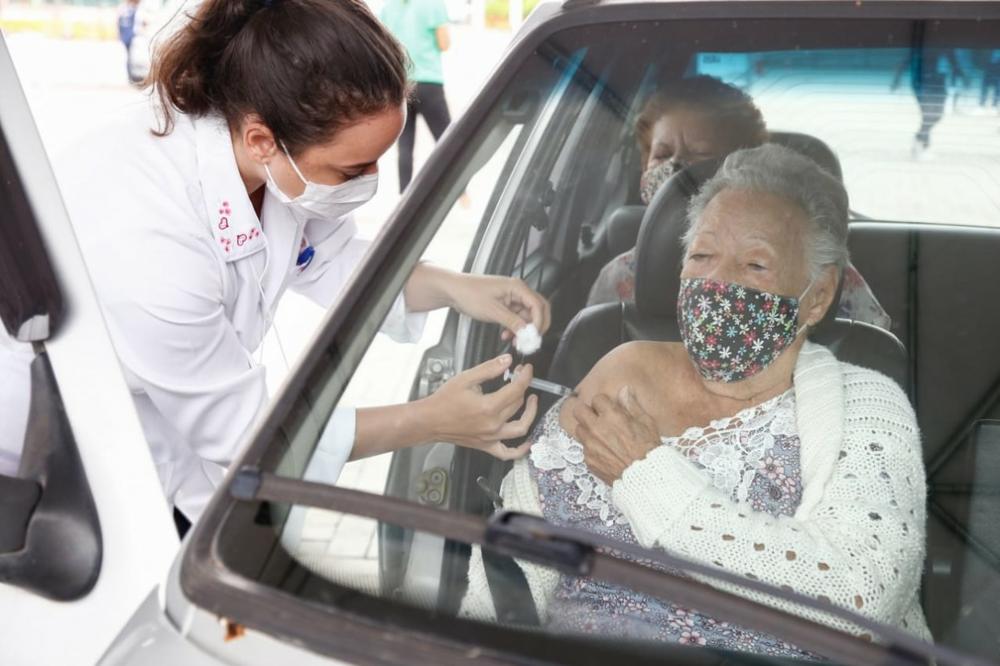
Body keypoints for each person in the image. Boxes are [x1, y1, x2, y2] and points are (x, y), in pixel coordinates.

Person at [56, 0, 548, 527]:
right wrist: (429, 420)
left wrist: (455, 287)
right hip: (80, 472)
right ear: (262, 140)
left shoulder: (271, 163)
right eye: (352, 169)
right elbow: (244, 433)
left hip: (179, 448)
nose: (369, 181)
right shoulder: (147, 233)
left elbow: (337, 261)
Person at [461, 145, 930, 653]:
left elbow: (860, 596)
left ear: (816, 296)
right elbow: (518, 558)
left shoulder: (866, 404)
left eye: (754, 264)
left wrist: (646, 475)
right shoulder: (621, 368)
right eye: (701, 256)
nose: (717, 281)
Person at [587, 77, 891, 331]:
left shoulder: (816, 273)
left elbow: (869, 349)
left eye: (700, 155)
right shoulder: (620, 278)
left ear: (744, 164)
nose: (676, 169)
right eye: (663, 155)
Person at [380, 0, 454, 192]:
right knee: (447, 139)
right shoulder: (433, 4)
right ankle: (459, 192)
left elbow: (383, 45)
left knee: (405, 146)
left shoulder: (388, 8)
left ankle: (404, 195)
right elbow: (444, 43)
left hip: (401, 85)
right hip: (430, 83)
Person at [116, 0, 141, 83]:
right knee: (130, 56)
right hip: (129, 35)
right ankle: (131, 76)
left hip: (129, 35)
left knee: (130, 56)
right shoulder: (128, 8)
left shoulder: (125, 8)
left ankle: (132, 75)